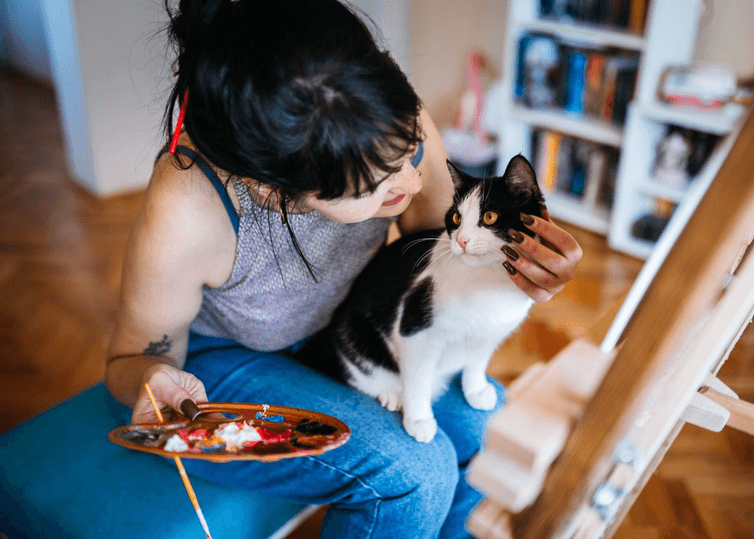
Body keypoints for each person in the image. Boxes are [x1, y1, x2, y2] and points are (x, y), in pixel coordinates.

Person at [105, 1, 583, 537]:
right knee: (415, 473)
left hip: (343, 331)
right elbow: (129, 360)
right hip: (225, 360)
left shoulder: (385, 117)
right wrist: (153, 381)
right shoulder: (189, 207)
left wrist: (521, 272)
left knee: (485, 424)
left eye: (410, 150)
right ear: (273, 190)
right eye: (376, 187)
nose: (413, 181)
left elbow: (442, 248)